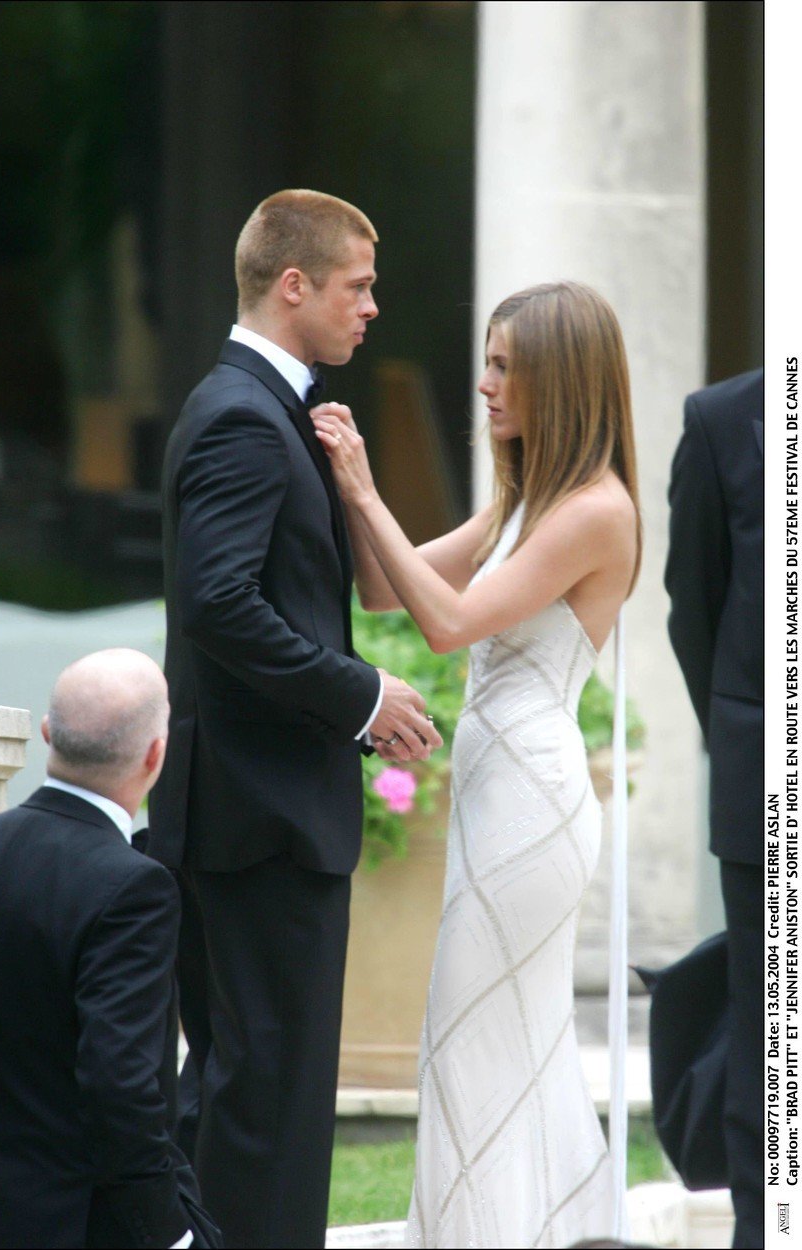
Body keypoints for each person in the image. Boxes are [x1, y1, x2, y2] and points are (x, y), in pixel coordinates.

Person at [312, 280, 642, 1249]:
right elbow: (384, 589)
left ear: (560, 379)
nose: (486, 385)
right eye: (489, 363)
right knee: (498, 1044)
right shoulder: (526, 501)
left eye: (505, 366)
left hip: (532, 803)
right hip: (496, 793)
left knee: (474, 1040)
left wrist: (366, 488)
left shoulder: (594, 509)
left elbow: (448, 625)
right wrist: (351, 492)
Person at [146, 188, 442, 1250]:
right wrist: (361, 694)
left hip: (253, 811)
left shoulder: (271, 407)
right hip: (257, 816)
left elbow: (291, 591)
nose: (372, 308)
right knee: (267, 1103)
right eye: (358, 287)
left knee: (238, 1092)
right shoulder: (238, 414)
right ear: (293, 284)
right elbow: (220, 602)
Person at [0, 649, 217, 1250]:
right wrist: (167, 1232)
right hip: (72, 1218)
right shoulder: (133, 886)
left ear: (45, 735)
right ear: (155, 754)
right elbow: (119, 1082)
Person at [664, 368, 763, 1250]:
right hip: (761, 779)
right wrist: (739, 735)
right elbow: (692, 607)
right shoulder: (723, 418)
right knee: (766, 1029)